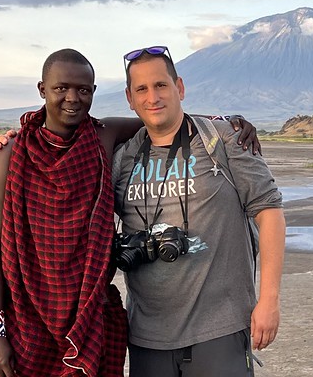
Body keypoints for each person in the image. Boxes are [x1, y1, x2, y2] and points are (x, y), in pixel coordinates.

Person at [0, 48, 260, 377]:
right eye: (61, 88)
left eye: (84, 90)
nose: (72, 98)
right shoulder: (10, 157)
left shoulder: (101, 136)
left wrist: (225, 121)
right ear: (42, 89)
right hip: (27, 322)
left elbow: (162, 117)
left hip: (91, 318)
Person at [112, 46, 285, 376]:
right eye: (142, 89)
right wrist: (15, 142)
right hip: (147, 337)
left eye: (161, 85)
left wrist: (269, 300)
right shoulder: (123, 159)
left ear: (179, 87)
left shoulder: (223, 139)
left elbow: (270, 212)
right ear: (129, 98)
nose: (153, 97)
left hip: (220, 329)